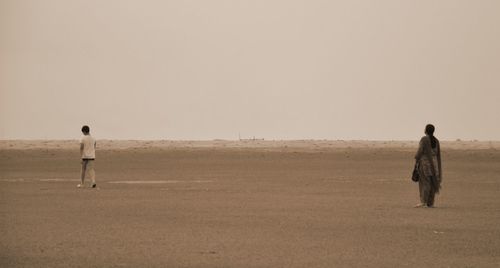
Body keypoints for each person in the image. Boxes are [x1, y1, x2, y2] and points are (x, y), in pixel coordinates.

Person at [414, 124, 442, 208]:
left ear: (426, 130)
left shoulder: (424, 139)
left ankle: (424, 202)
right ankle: (431, 203)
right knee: (433, 183)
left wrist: (416, 157)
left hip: (425, 164)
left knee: (425, 182)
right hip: (435, 165)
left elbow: (420, 151)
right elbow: (437, 153)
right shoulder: (436, 140)